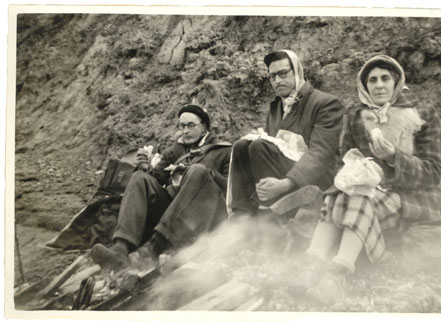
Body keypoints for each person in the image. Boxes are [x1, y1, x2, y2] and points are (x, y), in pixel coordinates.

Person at [307, 55, 441, 276]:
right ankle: (314, 262)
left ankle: (339, 267)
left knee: (358, 197)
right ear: (365, 85)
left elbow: (434, 172)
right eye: (372, 80)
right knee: (341, 194)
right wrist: (354, 174)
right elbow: (345, 162)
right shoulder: (357, 117)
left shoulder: (422, 114)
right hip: (368, 195)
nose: (379, 85)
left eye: (385, 78)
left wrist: (393, 157)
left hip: (411, 197)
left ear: (396, 81)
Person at [91, 105, 232, 269]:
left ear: (204, 127)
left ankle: (152, 249)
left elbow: (230, 188)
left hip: (202, 213)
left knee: (197, 170)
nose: (185, 131)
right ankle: (121, 249)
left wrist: (206, 174)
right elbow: (155, 180)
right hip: (172, 210)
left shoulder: (224, 150)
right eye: (182, 126)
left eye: (191, 125)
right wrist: (144, 167)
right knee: (139, 178)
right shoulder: (175, 151)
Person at [228, 50, 345, 214]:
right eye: (272, 76)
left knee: (259, 146)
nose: (277, 81)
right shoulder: (276, 108)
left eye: (282, 74)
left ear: (297, 72)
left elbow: (321, 153)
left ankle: (271, 218)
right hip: (279, 176)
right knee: (241, 145)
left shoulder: (325, 103)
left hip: (312, 178)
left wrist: (286, 183)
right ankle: (242, 214)